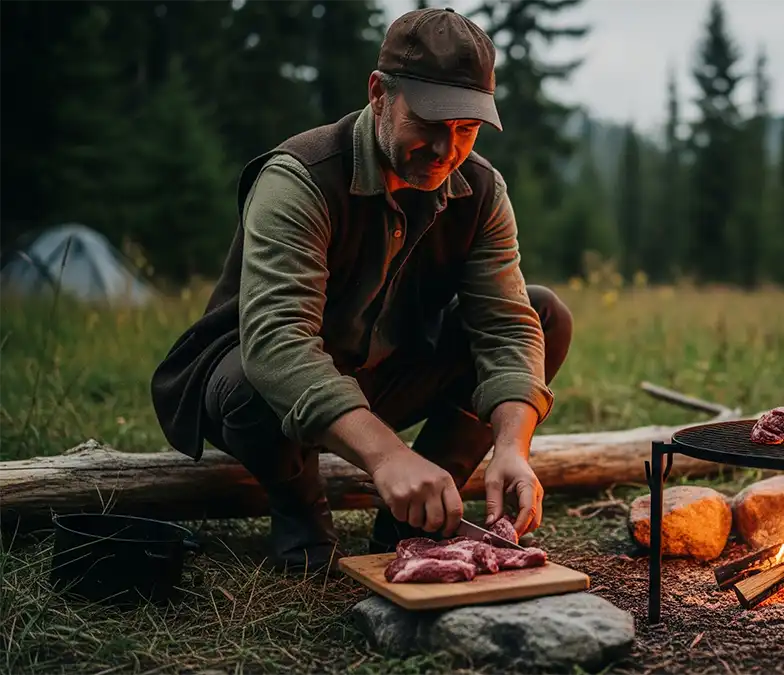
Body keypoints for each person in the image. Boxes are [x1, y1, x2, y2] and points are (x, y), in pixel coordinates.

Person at [149, 7, 572, 573]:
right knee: (254, 374)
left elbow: (505, 325)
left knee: (544, 313)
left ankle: (416, 519)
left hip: (384, 373)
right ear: (379, 93)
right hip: (260, 388)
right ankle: (298, 507)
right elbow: (278, 344)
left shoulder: (481, 189)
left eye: (466, 129)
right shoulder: (299, 178)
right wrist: (386, 456)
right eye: (429, 123)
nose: (447, 149)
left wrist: (511, 448)